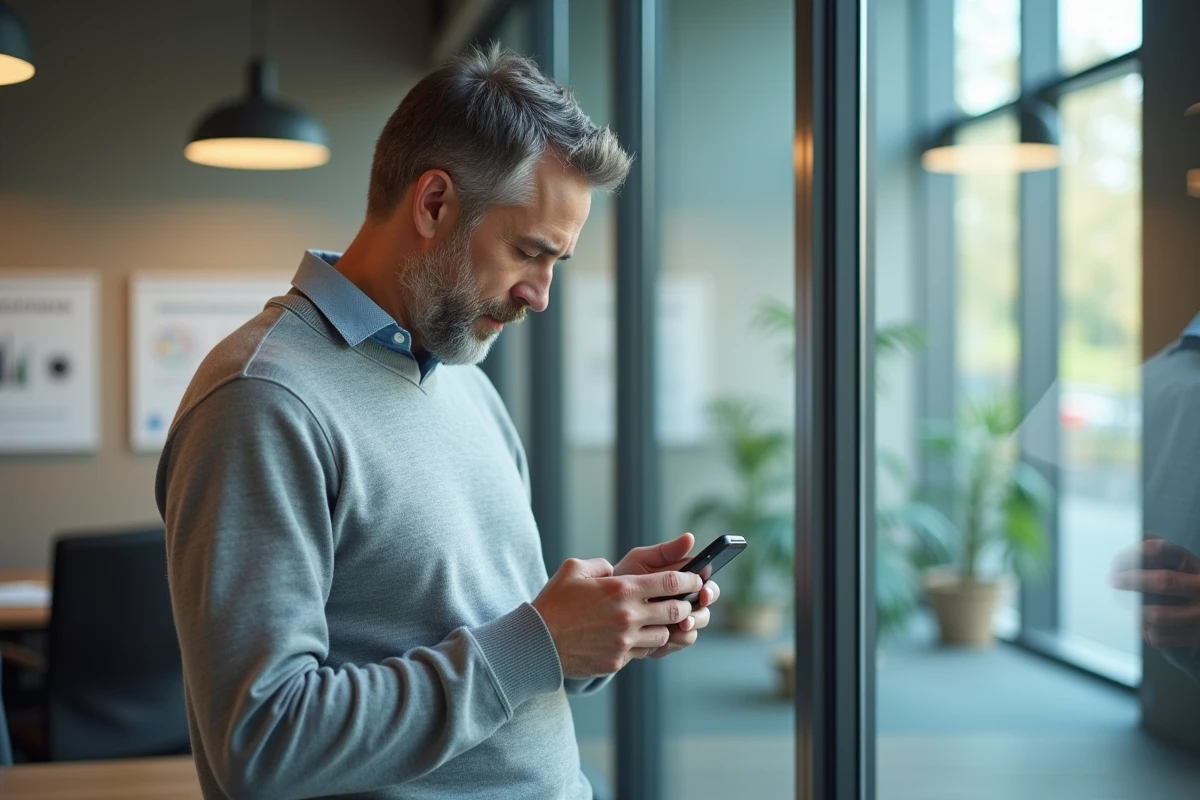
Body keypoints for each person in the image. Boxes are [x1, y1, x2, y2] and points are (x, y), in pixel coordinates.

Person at [155, 46, 721, 799]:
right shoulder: (261, 400)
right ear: (433, 204)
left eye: (558, 262)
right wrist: (541, 641)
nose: (541, 295)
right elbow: (260, 746)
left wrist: (601, 623)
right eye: (529, 252)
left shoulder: (464, 382)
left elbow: (494, 649)